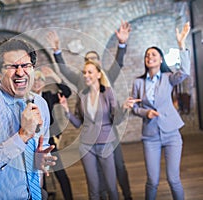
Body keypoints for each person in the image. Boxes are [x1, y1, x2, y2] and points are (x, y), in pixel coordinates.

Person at [47, 21, 133, 200]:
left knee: (119, 167)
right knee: (96, 178)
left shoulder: (107, 79)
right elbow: (65, 71)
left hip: (109, 134)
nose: (91, 64)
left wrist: (122, 44)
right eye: (88, 61)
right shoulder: (82, 82)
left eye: (94, 60)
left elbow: (118, 62)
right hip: (89, 139)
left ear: (99, 66)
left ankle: (127, 195)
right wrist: (57, 51)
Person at [0, 38, 57, 199]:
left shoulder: (40, 103)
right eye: (12, 66)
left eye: (26, 65)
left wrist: (40, 160)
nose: (20, 72)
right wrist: (22, 136)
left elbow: (42, 148)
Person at [124, 22, 191, 200]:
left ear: (161, 59)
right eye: (147, 55)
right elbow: (135, 108)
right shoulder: (138, 83)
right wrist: (145, 113)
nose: (150, 57)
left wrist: (181, 44)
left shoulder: (169, 78)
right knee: (152, 181)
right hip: (150, 135)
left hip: (171, 134)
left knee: (173, 179)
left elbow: (185, 71)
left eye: (154, 54)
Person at [59, 60, 120, 200]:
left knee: (111, 186)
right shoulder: (82, 95)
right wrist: (67, 111)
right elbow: (78, 123)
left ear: (98, 74)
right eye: (84, 72)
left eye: (90, 72)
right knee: (93, 188)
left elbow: (116, 117)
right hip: (86, 146)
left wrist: (123, 110)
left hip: (105, 143)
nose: (86, 75)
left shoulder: (108, 92)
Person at [31, 66, 73, 200]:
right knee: (40, 178)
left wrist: (55, 76)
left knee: (61, 174)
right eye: (35, 79)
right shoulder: (27, 99)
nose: (37, 82)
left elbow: (67, 92)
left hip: (50, 142)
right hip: (33, 145)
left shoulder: (48, 96)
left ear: (44, 82)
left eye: (40, 79)